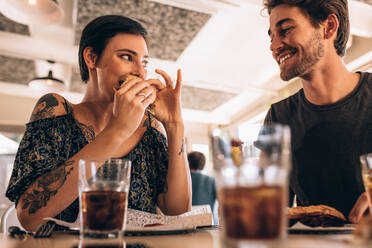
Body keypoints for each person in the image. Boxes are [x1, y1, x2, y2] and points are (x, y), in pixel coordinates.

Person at [5, 15, 192, 231]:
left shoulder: (151, 128)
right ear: (92, 58)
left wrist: (174, 125)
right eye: (126, 57)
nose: (140, 72)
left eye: (144, 62)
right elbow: (29, 217)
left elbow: (178, 212)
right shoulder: (55, 108)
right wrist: (118, 130)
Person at [263, 0, 372, 223]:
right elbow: (270, 208)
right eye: (271, 37)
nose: (274, 46)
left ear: (329, 26)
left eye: (285, 30)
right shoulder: (278, 117)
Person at [187, 151, 217, 222]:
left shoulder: (181, 180)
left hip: (186, 222)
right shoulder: (211, 180)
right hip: (209, 222)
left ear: (188, 162)